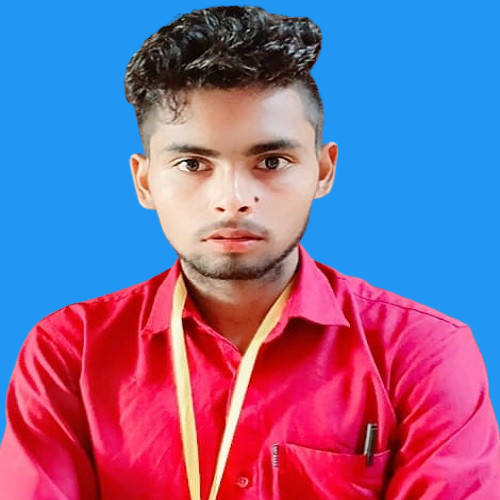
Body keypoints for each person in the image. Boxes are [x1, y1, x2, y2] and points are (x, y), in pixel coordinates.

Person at [0, 5, 498, 499]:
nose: (232, 198)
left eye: (272, 161)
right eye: (193, 164)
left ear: (323, 171)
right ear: (144, 180)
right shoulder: (69, 352)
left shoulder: (422, 352)